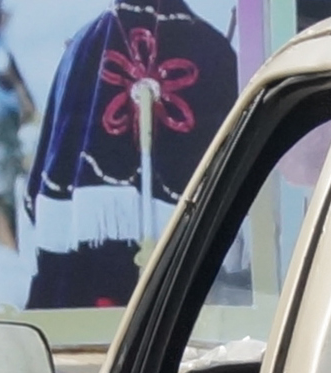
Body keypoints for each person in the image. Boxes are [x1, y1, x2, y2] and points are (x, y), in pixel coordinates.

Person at [22, 0, 235, 307]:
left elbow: (54, 163)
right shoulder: (213, 48)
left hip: (92, 276)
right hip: (187, 267)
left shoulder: (83, 46)